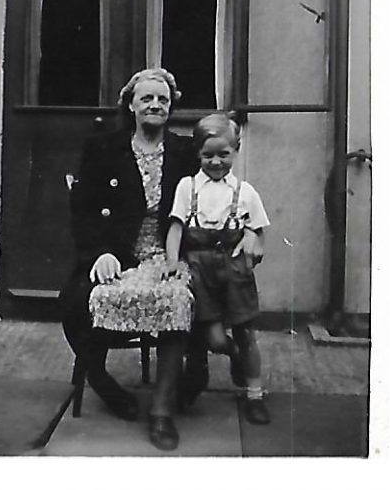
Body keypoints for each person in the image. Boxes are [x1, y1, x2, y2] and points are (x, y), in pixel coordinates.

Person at [60, 68, 199, 451]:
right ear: (132, 105)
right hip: (115, 253)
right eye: (147, 98)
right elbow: (83, 211)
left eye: (163, 99)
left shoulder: (186, 152)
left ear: (171, 108)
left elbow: (207, 205)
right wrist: (99, 253)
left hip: (168, 253)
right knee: (76, 301)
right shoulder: (103, 148)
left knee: (178, 301)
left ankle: (161, 410)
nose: (155, 104)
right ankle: (101, 380)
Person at [166, 112, 271, 424]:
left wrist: (254, 249)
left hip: (234, 269)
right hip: (199, 268)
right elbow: (176, 228)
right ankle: (233, 356)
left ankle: (254, 394)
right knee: (213, 338)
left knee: (246, 332)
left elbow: (258, 232)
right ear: (198, 153)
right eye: (207, 155)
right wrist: (173, 261)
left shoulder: (245, 192)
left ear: (236, 150)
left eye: (223, 154)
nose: (215, 162)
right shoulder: (187, 187)